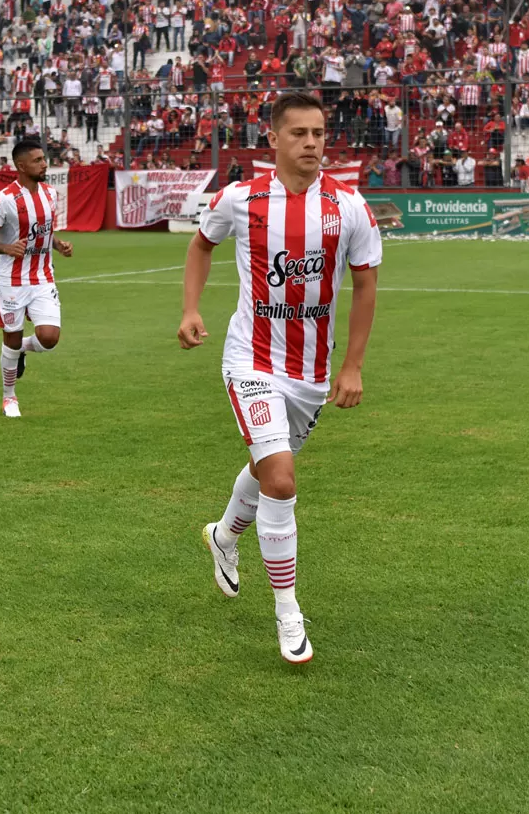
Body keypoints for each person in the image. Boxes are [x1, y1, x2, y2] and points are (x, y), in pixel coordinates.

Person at [179, 92, 383, 665]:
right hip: (250, 360)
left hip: (313, 374)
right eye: (299, 133)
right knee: (284, 480)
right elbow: (200, 246)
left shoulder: (348, 207)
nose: (313, 143)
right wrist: (192, 309)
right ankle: (288, 613)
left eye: (319, 133)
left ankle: (224, 535)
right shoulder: (241, 199)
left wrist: (353, 366)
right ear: (274, 139)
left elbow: (366, 285)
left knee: (268, 469)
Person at [0, 138, 74, 417]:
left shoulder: (50, 194)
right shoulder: (4, 200)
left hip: (43, 276)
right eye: (38, 160)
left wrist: (58, 244)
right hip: (12, 281)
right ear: (21, 166)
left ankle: (20, 351)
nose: (45, 164)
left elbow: (44, 231)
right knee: (11, 338)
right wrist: (6, 248)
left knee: (49, 338)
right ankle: (9, 397)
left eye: (44, 159)